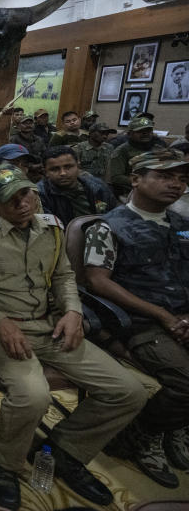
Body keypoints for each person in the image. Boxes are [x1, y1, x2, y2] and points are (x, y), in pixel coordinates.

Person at [0, 164, 146, 510]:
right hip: (4, 333)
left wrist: (72, 310)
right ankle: (6, 464)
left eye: (26, 193)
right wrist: (0, 321)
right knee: (33, 395)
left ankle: (64, 451)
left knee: (128, 391)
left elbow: (64, 276)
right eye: (12, 199)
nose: (23, 203)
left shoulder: (51, 227)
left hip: (51, 325)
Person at [84, 149, 189, 487]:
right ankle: (142, 435)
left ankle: (175, 426)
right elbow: (99, 280)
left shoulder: (184, 226)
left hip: (181, 315)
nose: (176, 184)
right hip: (139, 320)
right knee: (184, 381)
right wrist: (162, 314)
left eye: (181, 178)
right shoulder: (109, 226)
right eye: (164, 176)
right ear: (136, 180)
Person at [36, 146, 118, 225]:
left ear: (78, 166)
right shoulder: (39, 195)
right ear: (45, 172)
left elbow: (114, 215)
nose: (63, 173)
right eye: (55, 169)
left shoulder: (98, 187)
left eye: (68, 167)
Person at [107, 116, 159, 199]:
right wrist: (144, 182)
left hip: (156, 189)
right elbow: (116, 177)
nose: (145, 134)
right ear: (129, 134)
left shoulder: (158, 148)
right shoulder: (122, 151)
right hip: (129, 192)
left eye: (149, 131)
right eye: (140, 131)